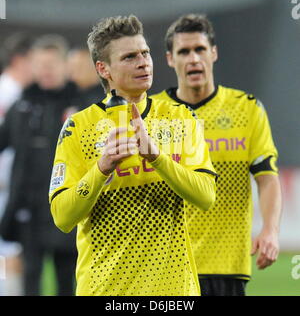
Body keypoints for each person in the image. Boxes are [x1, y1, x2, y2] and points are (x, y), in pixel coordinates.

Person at [49, 15, 217, 296]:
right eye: (129, 57)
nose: (143, 62)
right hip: (105, 291)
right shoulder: (78, 127)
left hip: (173, 292)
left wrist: (156, 157)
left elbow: (206, 196)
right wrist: (101, 169)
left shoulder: (181, 118)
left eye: (145, 53)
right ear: (103, 69)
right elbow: (63, 217)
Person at [152, 14, 282, 296]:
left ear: (213, 53)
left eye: (199, 49)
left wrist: (270, 230)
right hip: (167, 266)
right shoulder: (153, 114)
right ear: (170, 60)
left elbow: (267, 177)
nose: (193, 58)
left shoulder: (247, 109)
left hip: (226, 266)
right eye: (183, 52)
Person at [0, 34, 79, 296]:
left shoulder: (80, 106)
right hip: (29, 211)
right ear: (32, 66)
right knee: (30, 279)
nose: (45, 70)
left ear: (64, 66)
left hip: (66, 209)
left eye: (51, 64)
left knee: (67, 281)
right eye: (40, 64)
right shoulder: (21, 106)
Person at [0, 33, 34, 296]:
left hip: (12, 188)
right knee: (9, 253)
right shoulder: (6, 92)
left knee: (11, 252)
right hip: (3, 188)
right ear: (19, 60)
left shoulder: (21, 94)